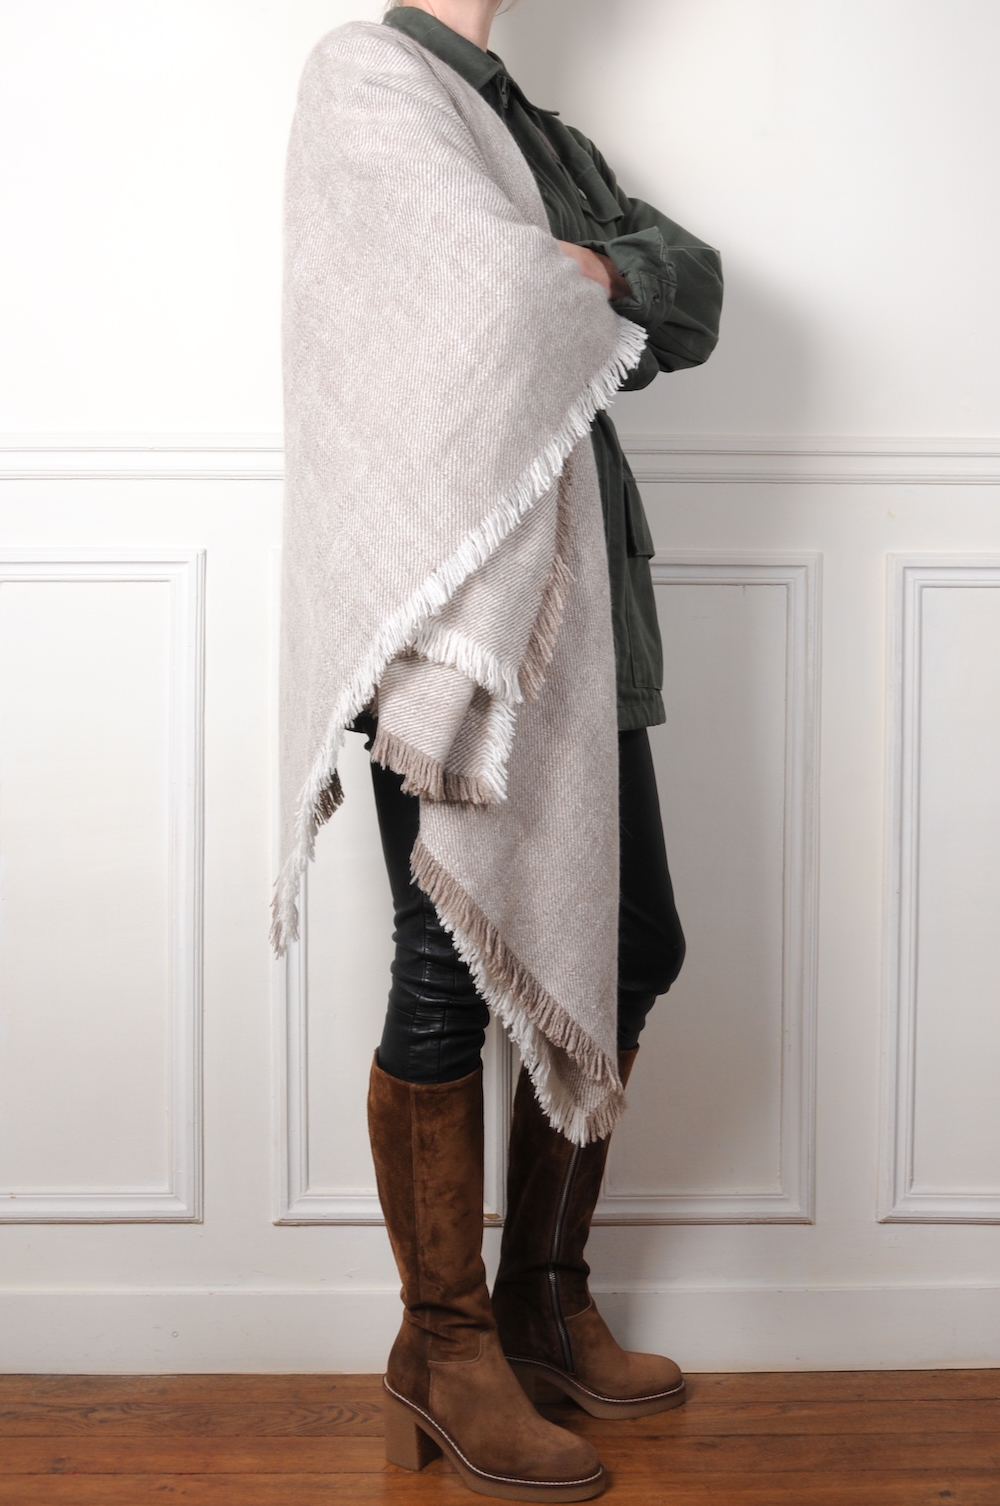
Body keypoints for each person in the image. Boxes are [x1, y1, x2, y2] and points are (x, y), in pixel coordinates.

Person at [278, 2, 722, 1497]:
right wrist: (582, 277)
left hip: (583, 613)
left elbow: (697, 292)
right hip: (450, 609)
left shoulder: (540, 132)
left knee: (638, 940)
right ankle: (444, 1338)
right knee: (444, 964)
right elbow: (484, 305)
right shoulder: (367, 76)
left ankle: (541, 1297)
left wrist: (592, 271)